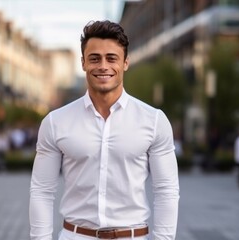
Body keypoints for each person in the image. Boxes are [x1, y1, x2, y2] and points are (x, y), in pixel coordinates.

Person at [29, 20, 180, 240]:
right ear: (83, 63)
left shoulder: (154, 121)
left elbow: (167, 190)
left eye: (112, 58)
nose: (103, 66)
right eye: (94, 58)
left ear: (126, 62)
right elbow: (42, 191)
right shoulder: (55, 122)